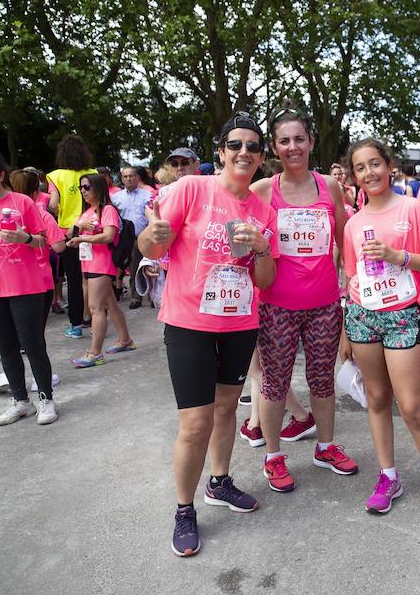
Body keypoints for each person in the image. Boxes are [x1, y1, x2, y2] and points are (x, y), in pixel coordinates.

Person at [138, 111, 278, 557]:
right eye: (235, 145)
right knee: (194, 423)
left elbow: (267, 278)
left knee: (224, 411)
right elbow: (151, 247)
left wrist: (260, 248)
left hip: (239, 324)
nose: (244, 153)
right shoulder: (190, 189)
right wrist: (149, 236)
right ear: (220, 151)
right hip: (189, 324)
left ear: (260, 157)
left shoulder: (262, 209)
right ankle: (184, 509)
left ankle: (220, 482)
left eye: (253, 147)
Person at [341, 137, 420, 527]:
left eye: (375, 164)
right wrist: (347, 325)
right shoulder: (354, 223)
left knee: (411, 405)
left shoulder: (412, 209)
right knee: (376, 397)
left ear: (389, 165)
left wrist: (399, 257)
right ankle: (388, 476)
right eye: (360, 168)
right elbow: (351, 275)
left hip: (403, 315)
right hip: (362, 315)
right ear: (354, 175)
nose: (369, 173)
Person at [248, 106, 357, 492]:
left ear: (311, 142)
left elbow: (346, 241)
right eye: (284, 141)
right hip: (276, 303)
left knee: (322, 380)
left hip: (325, 302)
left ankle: (325, 447)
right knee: (274, 382)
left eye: (299, 139)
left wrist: (352, 290)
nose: (292, 146)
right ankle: (273, 456)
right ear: (274, 149)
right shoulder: (263, 190)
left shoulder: (329, 186)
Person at [0, 149, 58, 425]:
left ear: (1, 175)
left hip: (25, 285)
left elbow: (44, 242)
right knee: (5, 347)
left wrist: (24, 237)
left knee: (33, 344)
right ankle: (20, 401)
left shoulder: (22, 202)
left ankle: (46, 399)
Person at [67, 173, 136, 368]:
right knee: (110, 304)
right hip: (89, 263)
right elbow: (69, 234)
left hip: (102, 264)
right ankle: (125, 340)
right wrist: (77, 227)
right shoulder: (88, 211)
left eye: (87, 187)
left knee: (96, 308)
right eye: (81, 187)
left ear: (98, 187)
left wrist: (82, 238)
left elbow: (108, 236)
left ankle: (95, 353)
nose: (83, 191)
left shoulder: (107, 210)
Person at [8, 170, 65, 391]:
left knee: (14, 335)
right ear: (35, 192)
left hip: (11, 280)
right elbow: (59, 246)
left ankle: (12, 376)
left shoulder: (4, 217)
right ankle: (40, 379)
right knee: (34, 335)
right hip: (39, 281)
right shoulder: (42, 214)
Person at [47, 134, 95, 339]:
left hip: (70, 232)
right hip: (94, 228)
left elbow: (53, 205)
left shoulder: (55, 176)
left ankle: (75, 324)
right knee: (94, 276)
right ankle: (94, 317)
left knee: (74, 279)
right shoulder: (93, 173)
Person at [112, 166, 154, 309]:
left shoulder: (147, 195)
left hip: (145, 236)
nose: (129, 179)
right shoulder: (116, 198)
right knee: (133, 268)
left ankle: (153, 296)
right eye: (125, 176)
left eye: (131, 176)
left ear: (137, 177)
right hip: (126, 239)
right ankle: (136, 297)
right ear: (122, 179)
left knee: (150, 266)